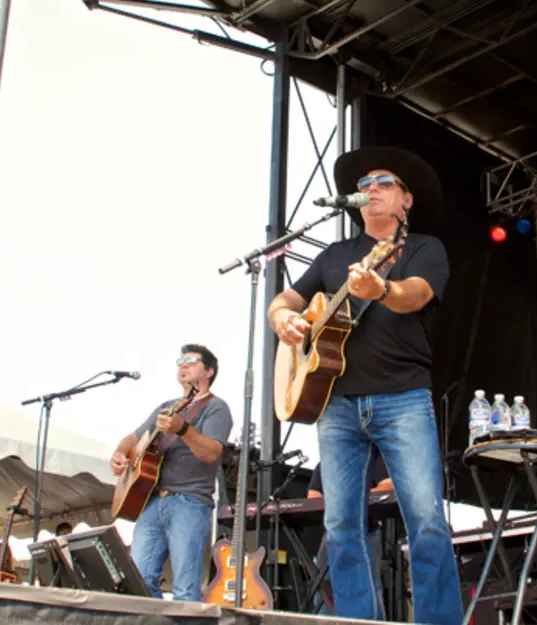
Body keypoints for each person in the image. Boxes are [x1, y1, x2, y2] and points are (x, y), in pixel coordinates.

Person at [267, 146, 462, 625]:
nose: (370, 188)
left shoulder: (422, 249)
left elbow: (416, 294)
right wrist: (285, 320)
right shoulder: (334, 255)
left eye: (384, 182)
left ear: (406, 202)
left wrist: (383, 290)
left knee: (427, 520)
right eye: (365, 184)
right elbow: (283, 300)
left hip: (404, 398)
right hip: (336, 404)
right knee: (339, 525)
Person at [109, 344, 233, 601]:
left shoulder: (216, 408)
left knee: (186, 590)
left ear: (208, 372)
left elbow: (211, 454)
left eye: (190, 360)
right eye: (180, 361)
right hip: (151, 501)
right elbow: (131, 439)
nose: (182, 365)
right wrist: (120, 454)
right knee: (139, 585)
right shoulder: (166, 407)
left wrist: (183, 430)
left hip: (189, 501)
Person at [307, 455, 394, 614]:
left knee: (369, 587)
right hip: (333, 534)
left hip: (366, 531)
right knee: (323, 587)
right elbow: (313, 497)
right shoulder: (325, 464)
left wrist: (348, 499)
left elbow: (388, 486)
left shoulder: (372, 460)